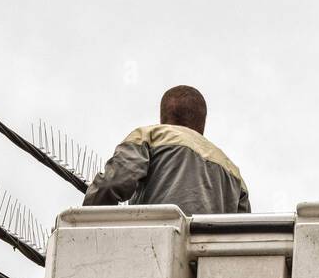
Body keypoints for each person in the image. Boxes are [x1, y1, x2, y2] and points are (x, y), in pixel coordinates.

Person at [82, 85, 250, 215]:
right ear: (203, 123)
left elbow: (113, 183)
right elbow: (243, 232)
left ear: (163, 117)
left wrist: (86, 217)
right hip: (205, 257)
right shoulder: (234, 173)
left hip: (153, 246)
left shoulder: (149, 136)